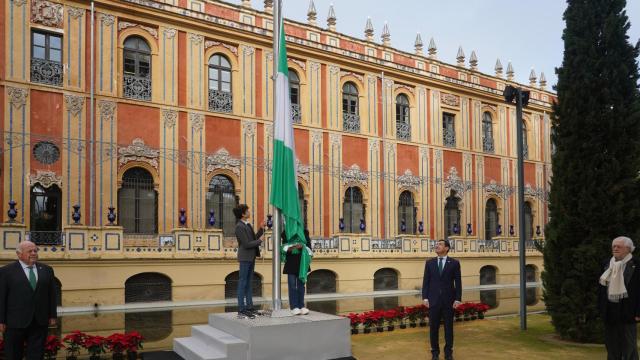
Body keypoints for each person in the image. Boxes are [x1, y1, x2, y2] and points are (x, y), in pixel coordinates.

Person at [0, 240, 58, 360]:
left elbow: (52, 294)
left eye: (35, 250)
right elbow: (2, 297)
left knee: (36, 355)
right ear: (19, 254)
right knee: (13, 355)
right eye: (30, 251)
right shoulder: (6, 271)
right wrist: (1, 320)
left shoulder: (47, 269)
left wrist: (53, 315)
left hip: (39, 321)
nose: (33, 253)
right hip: (14, 323)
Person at [599, 236, 640, 360]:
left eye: (619, 246)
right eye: (614, 246)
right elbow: (601, 288)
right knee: (611, 346)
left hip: (629, 311)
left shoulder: (637, 264)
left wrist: (639, 312)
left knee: (629, 346)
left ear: (628, 249)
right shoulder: (607, 263)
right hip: (610, 311)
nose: (615, 248)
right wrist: (601, 308)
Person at [422, 239, 462, 360]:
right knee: (433, 327)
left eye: (440, 244)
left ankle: (448, 352)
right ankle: (435, 352)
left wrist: (458, 299)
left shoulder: (454, 263)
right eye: (436, 244)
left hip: (448, 301)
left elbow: (458, 282)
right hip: (433, 301)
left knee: (449, 328)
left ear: (447, 248)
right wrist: (425, 297)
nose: (437, 246)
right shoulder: (430, 263)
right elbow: (426, 282)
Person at [233, 204, 265, 319]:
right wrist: (260, 241)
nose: (249, 212)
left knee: (248, 283)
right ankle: (241, 310)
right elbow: (246, 244)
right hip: (245, 257)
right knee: (243, 283)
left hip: (251, 257)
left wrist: (261, 228)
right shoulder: (239, 227)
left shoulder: (247, 225)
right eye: (247, 210)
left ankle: (250, 308)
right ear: (243, 214)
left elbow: (253, 238)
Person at [283, 229, 312, 315]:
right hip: (291, 262)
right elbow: (283, 247)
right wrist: (293, 247)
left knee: (301, 285)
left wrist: (302, 246)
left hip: (302, 262)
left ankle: (301, 306)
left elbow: (309, 247)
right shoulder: (286, 232)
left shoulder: (305, 231)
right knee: (292, 285)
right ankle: (294, 306)